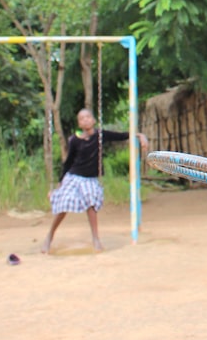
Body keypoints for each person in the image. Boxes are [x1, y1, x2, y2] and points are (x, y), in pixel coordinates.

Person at [41, 108, 148, 254]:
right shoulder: (74, 140)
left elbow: (121, 136)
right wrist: (60, 184)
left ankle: (96, 239)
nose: (85, 120)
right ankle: (49, 237)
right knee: (63, 205)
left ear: (93, 120)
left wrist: (139, 135)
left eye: (87, 117)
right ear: (79, 123)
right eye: (81, 118)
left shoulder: (100, 135)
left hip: (90, 179)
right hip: (74, 176)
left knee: (91, 205)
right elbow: (68, 162)